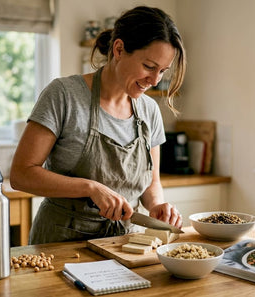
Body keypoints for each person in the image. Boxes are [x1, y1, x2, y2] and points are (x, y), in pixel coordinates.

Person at [10, 6, 187, 244]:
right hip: (61, 242)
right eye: (149, 66)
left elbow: (151, 182)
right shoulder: (63, 95)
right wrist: (91, 188)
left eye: (163, 71)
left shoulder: (150, 111)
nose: (155, 80)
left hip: (125, 244)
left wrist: (157, 206)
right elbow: (21, 175)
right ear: (119, 49)